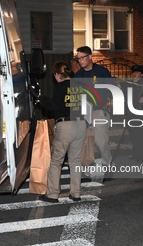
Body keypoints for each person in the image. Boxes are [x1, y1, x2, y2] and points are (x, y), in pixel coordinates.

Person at [37, 61, 87, 202]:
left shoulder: (60, 87)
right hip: (81, 124)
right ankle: (76, 193)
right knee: (75, 160)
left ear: (58, 74)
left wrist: (41, 98)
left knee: (56, 161)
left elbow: (54, 105)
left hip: (66, 125)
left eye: (54, 75)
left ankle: (52, 194)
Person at [74, 46, 113, 167]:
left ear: (90, 57)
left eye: (82, 57)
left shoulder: (102, 71)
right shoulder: (78, 75)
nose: (80, 61)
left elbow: (112, 87)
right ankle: (86, 164)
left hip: (99, 111)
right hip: (84, 112)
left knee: (101, 142)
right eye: (78, 58)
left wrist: (111, 100)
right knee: (83, 142)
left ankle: (107, 164)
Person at [127, 65, 143, 162]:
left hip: (140, 112)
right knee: (132, 133)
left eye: (137, 72)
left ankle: (140, 154)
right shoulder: (129, 84)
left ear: (141, 74)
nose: (134, 74)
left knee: (139, 134)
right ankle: (136, 152)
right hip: (129, 112)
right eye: (134, 72)